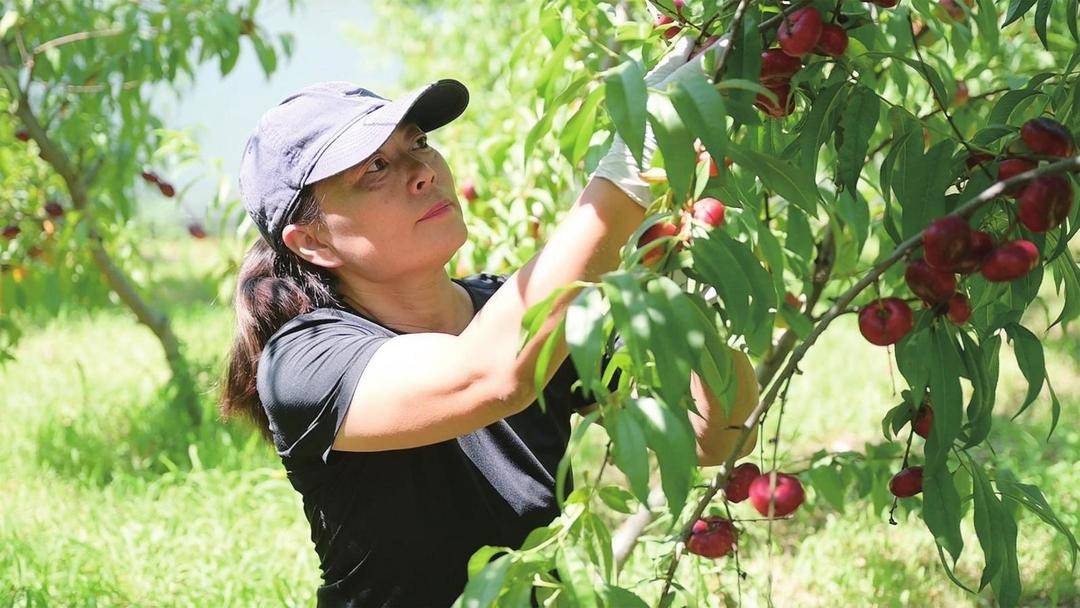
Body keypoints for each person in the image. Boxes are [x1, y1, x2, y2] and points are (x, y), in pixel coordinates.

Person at [219, 33, 758, 607]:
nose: (422, 171)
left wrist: (677, 277)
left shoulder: (513, 309)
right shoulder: (303, 361)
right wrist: (631, 164)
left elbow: (717, 434)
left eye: (419, 143)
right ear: (314, 242)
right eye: (375, 167)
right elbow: (489, 376)